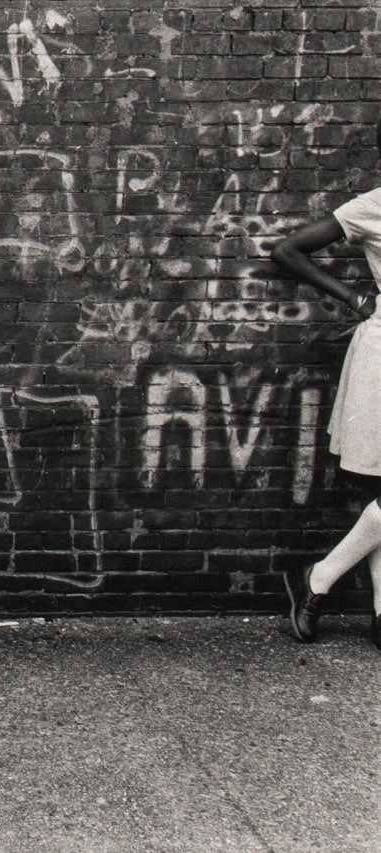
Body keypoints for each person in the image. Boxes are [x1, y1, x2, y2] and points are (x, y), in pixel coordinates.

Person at [272, 124, 381, 651]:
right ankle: (326, 583)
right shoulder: (372, 206)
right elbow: (288, 250)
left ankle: (329, 584)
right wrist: (355, 298)